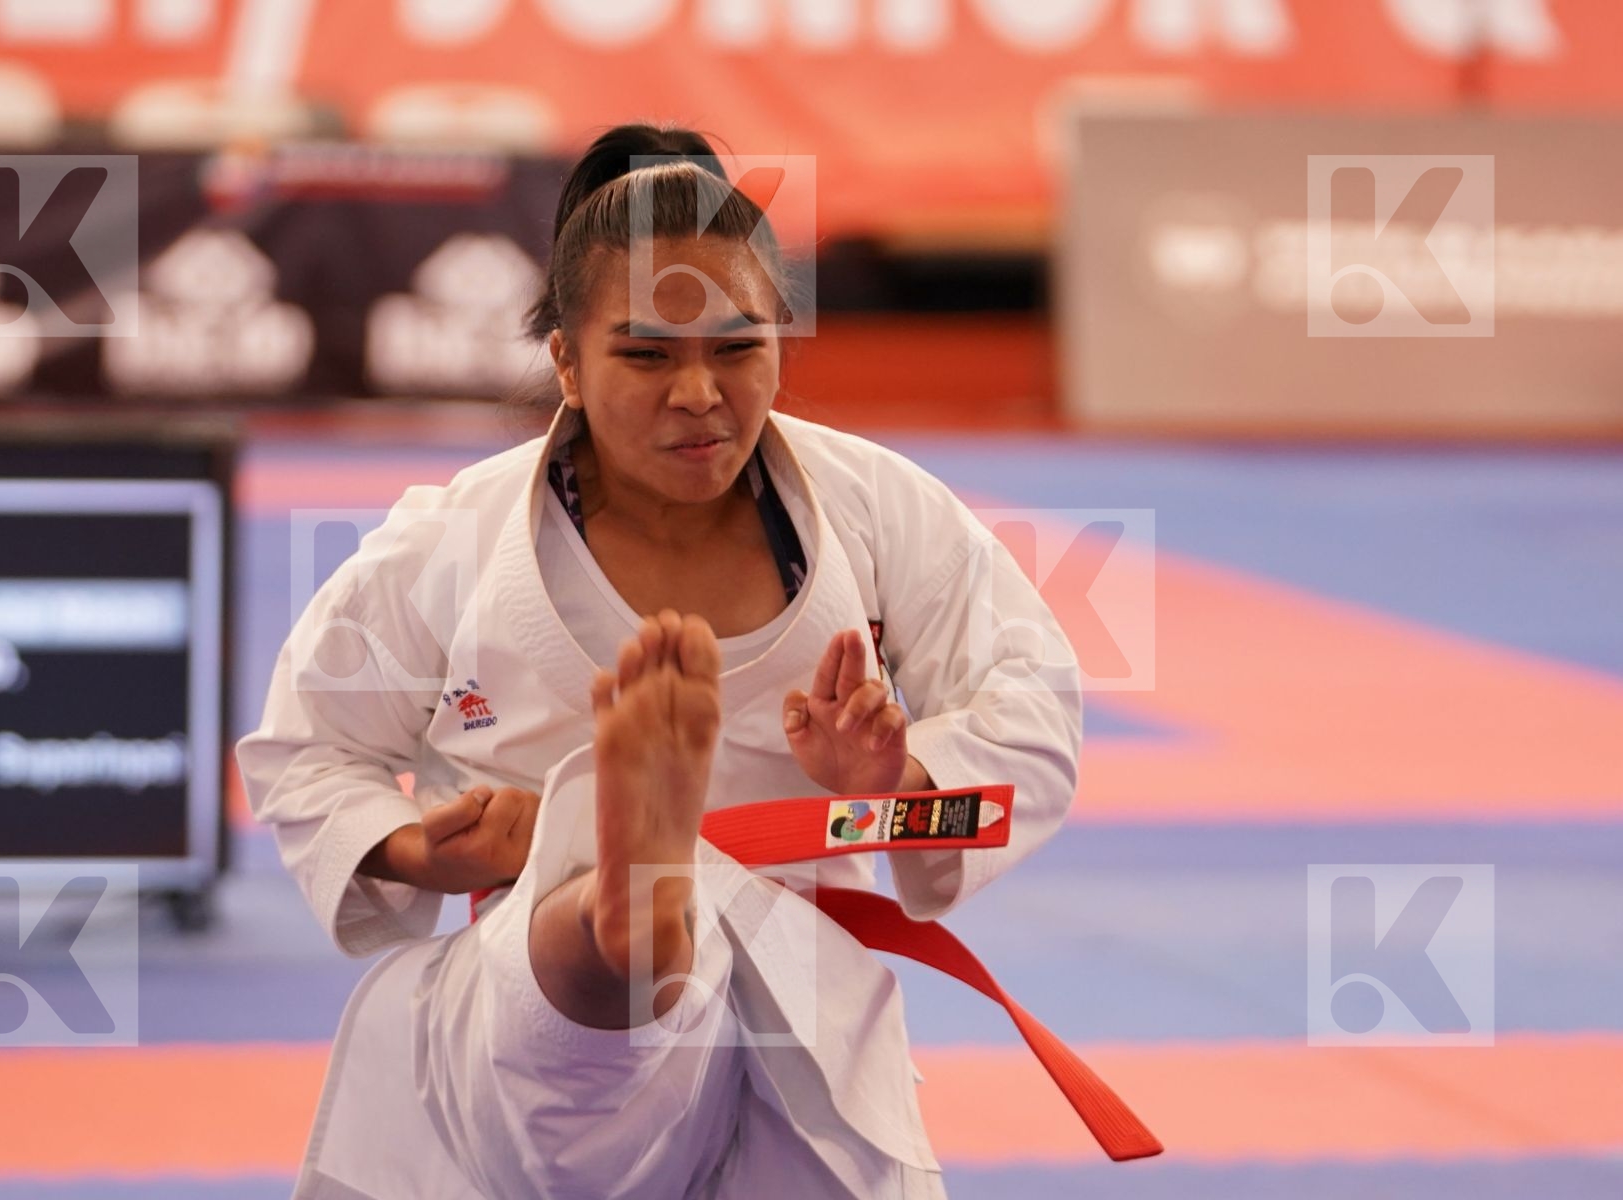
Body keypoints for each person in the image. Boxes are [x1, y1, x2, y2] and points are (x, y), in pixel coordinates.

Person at [238, 123, 1080, 1200]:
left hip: (802, 999)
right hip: (532, 1012)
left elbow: (1034, 721)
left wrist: (894, 787)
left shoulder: (878, 511)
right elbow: (307, 748)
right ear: (567, 365)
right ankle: (623, 909)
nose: (699, 394)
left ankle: (634, 903)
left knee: (672, 1005)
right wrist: (417, 850)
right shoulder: (453, 537)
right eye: (647, 355)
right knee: (583, 1022)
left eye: (738, 348)